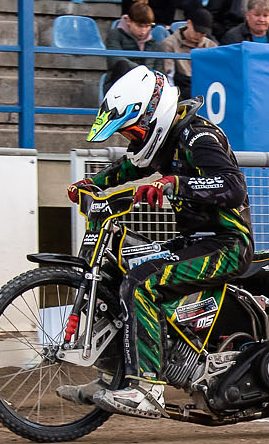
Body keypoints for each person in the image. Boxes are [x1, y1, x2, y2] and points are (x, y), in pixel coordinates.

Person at [62, 67, 254, 417]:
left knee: (140, 284)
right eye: (126, 133)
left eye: (134, 130)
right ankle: (111, 378)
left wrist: (175, 185)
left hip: (228, 244)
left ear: (154, 113)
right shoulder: (165, 142)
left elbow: (232, 186)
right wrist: (93, 184)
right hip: (195, 241)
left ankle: (148, 389)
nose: (132, 138)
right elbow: (129, 168)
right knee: (122, 276)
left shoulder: (198, 137)